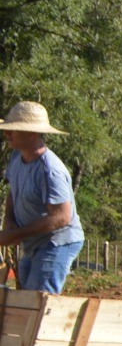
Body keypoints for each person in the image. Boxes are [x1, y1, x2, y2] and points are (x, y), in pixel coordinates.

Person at [0, 102, 85, 294]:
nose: (6, 134)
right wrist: (9, 222)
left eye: (13, 130)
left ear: (32, 133)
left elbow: (62, 217)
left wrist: (14, 235)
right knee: (24, 299)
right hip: (33, 243)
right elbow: (14, 192)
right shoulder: (16, 158)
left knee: (36, 300)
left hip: (57, 242)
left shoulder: (50, 170)